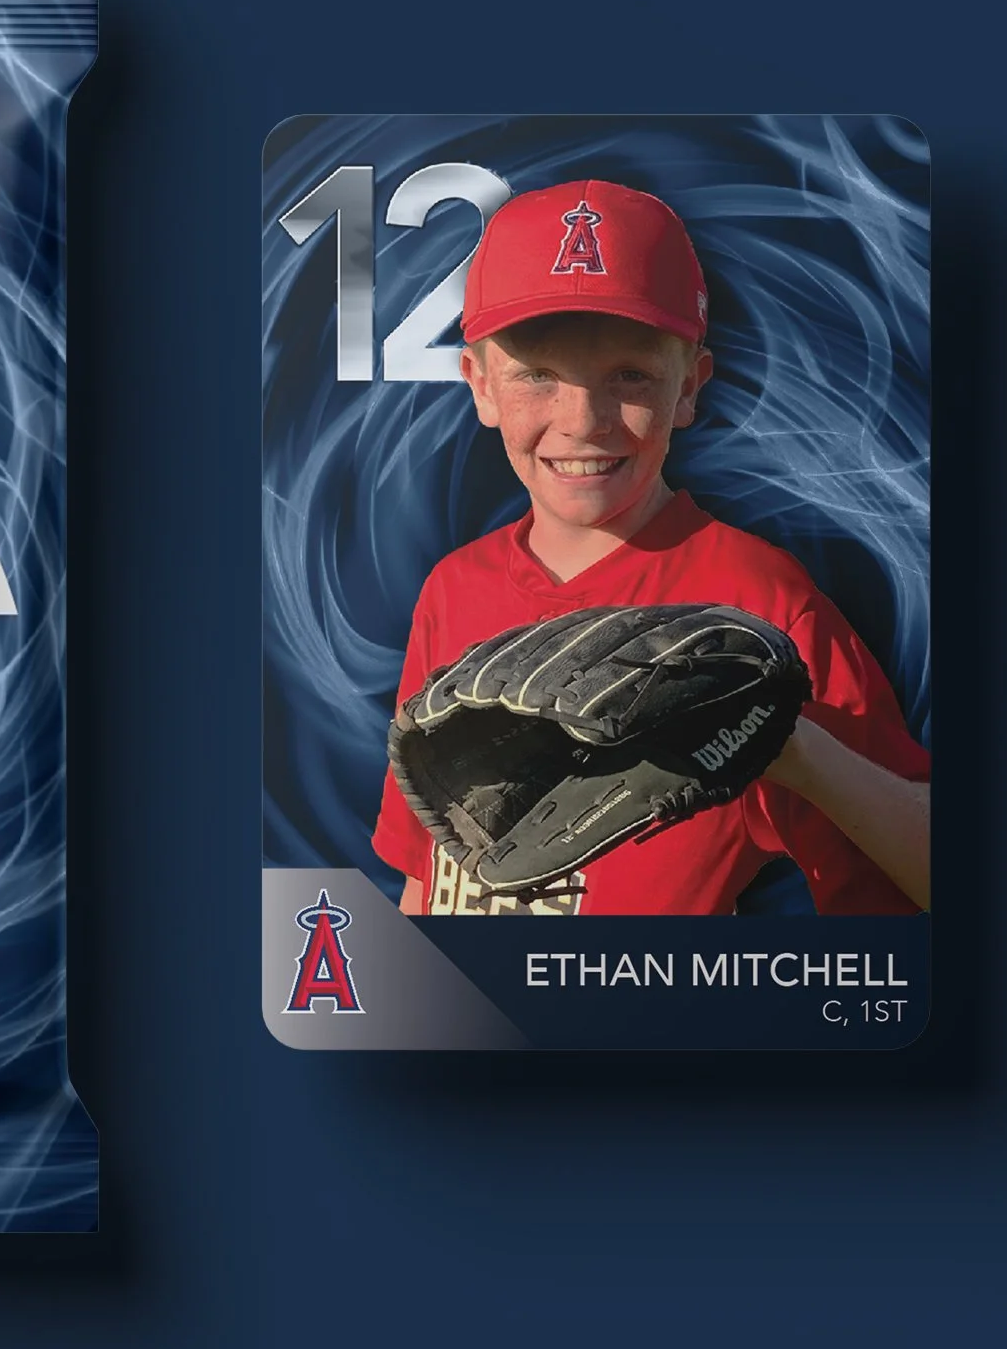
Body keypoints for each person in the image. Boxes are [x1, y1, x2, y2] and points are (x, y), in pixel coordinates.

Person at [373, 179, 930, 917]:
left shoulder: (758, 599)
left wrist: (795, 748)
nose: (584, 422)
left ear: (690, 387)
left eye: (630, 375)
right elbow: (427, 870)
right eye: (537, 374)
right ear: (478, 384)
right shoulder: (454, 586)